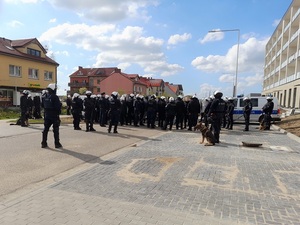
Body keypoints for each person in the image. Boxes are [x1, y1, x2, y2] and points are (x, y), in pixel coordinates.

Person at [41, 83, 62, 148]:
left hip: (47, 114)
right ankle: (57, 143)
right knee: (55, 129)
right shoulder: (54, 97)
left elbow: (42, 105)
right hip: (54, 115)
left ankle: (43, 143)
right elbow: (57, 107)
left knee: (45, 129)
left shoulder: (44, 96)